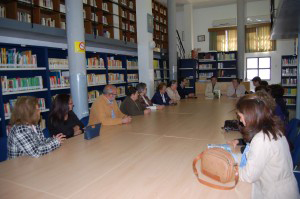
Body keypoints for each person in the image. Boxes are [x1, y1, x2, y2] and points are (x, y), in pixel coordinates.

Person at [231, 94, 299, 199]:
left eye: (240, 116)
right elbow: (252, 157)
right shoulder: (271, 129)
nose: (240, 120)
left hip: (275, 194)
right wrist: (232, 159)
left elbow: (248, 176)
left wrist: (228, 170)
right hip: (281, 187)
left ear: (250, 116)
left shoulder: (261, 139)